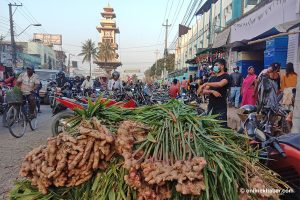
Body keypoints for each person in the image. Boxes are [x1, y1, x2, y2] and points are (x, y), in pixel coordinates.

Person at [200, 58, 230, 127]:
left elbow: (220, 84)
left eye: (216, 65)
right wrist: (212, 91)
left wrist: (206, 84)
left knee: (221, 128)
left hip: (220, 108)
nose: (215, 67)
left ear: (222, 66)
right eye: (214, 65)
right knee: (209, 128)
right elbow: (204, 91)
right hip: (211, 107)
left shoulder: (226, 76)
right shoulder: (212, 78)